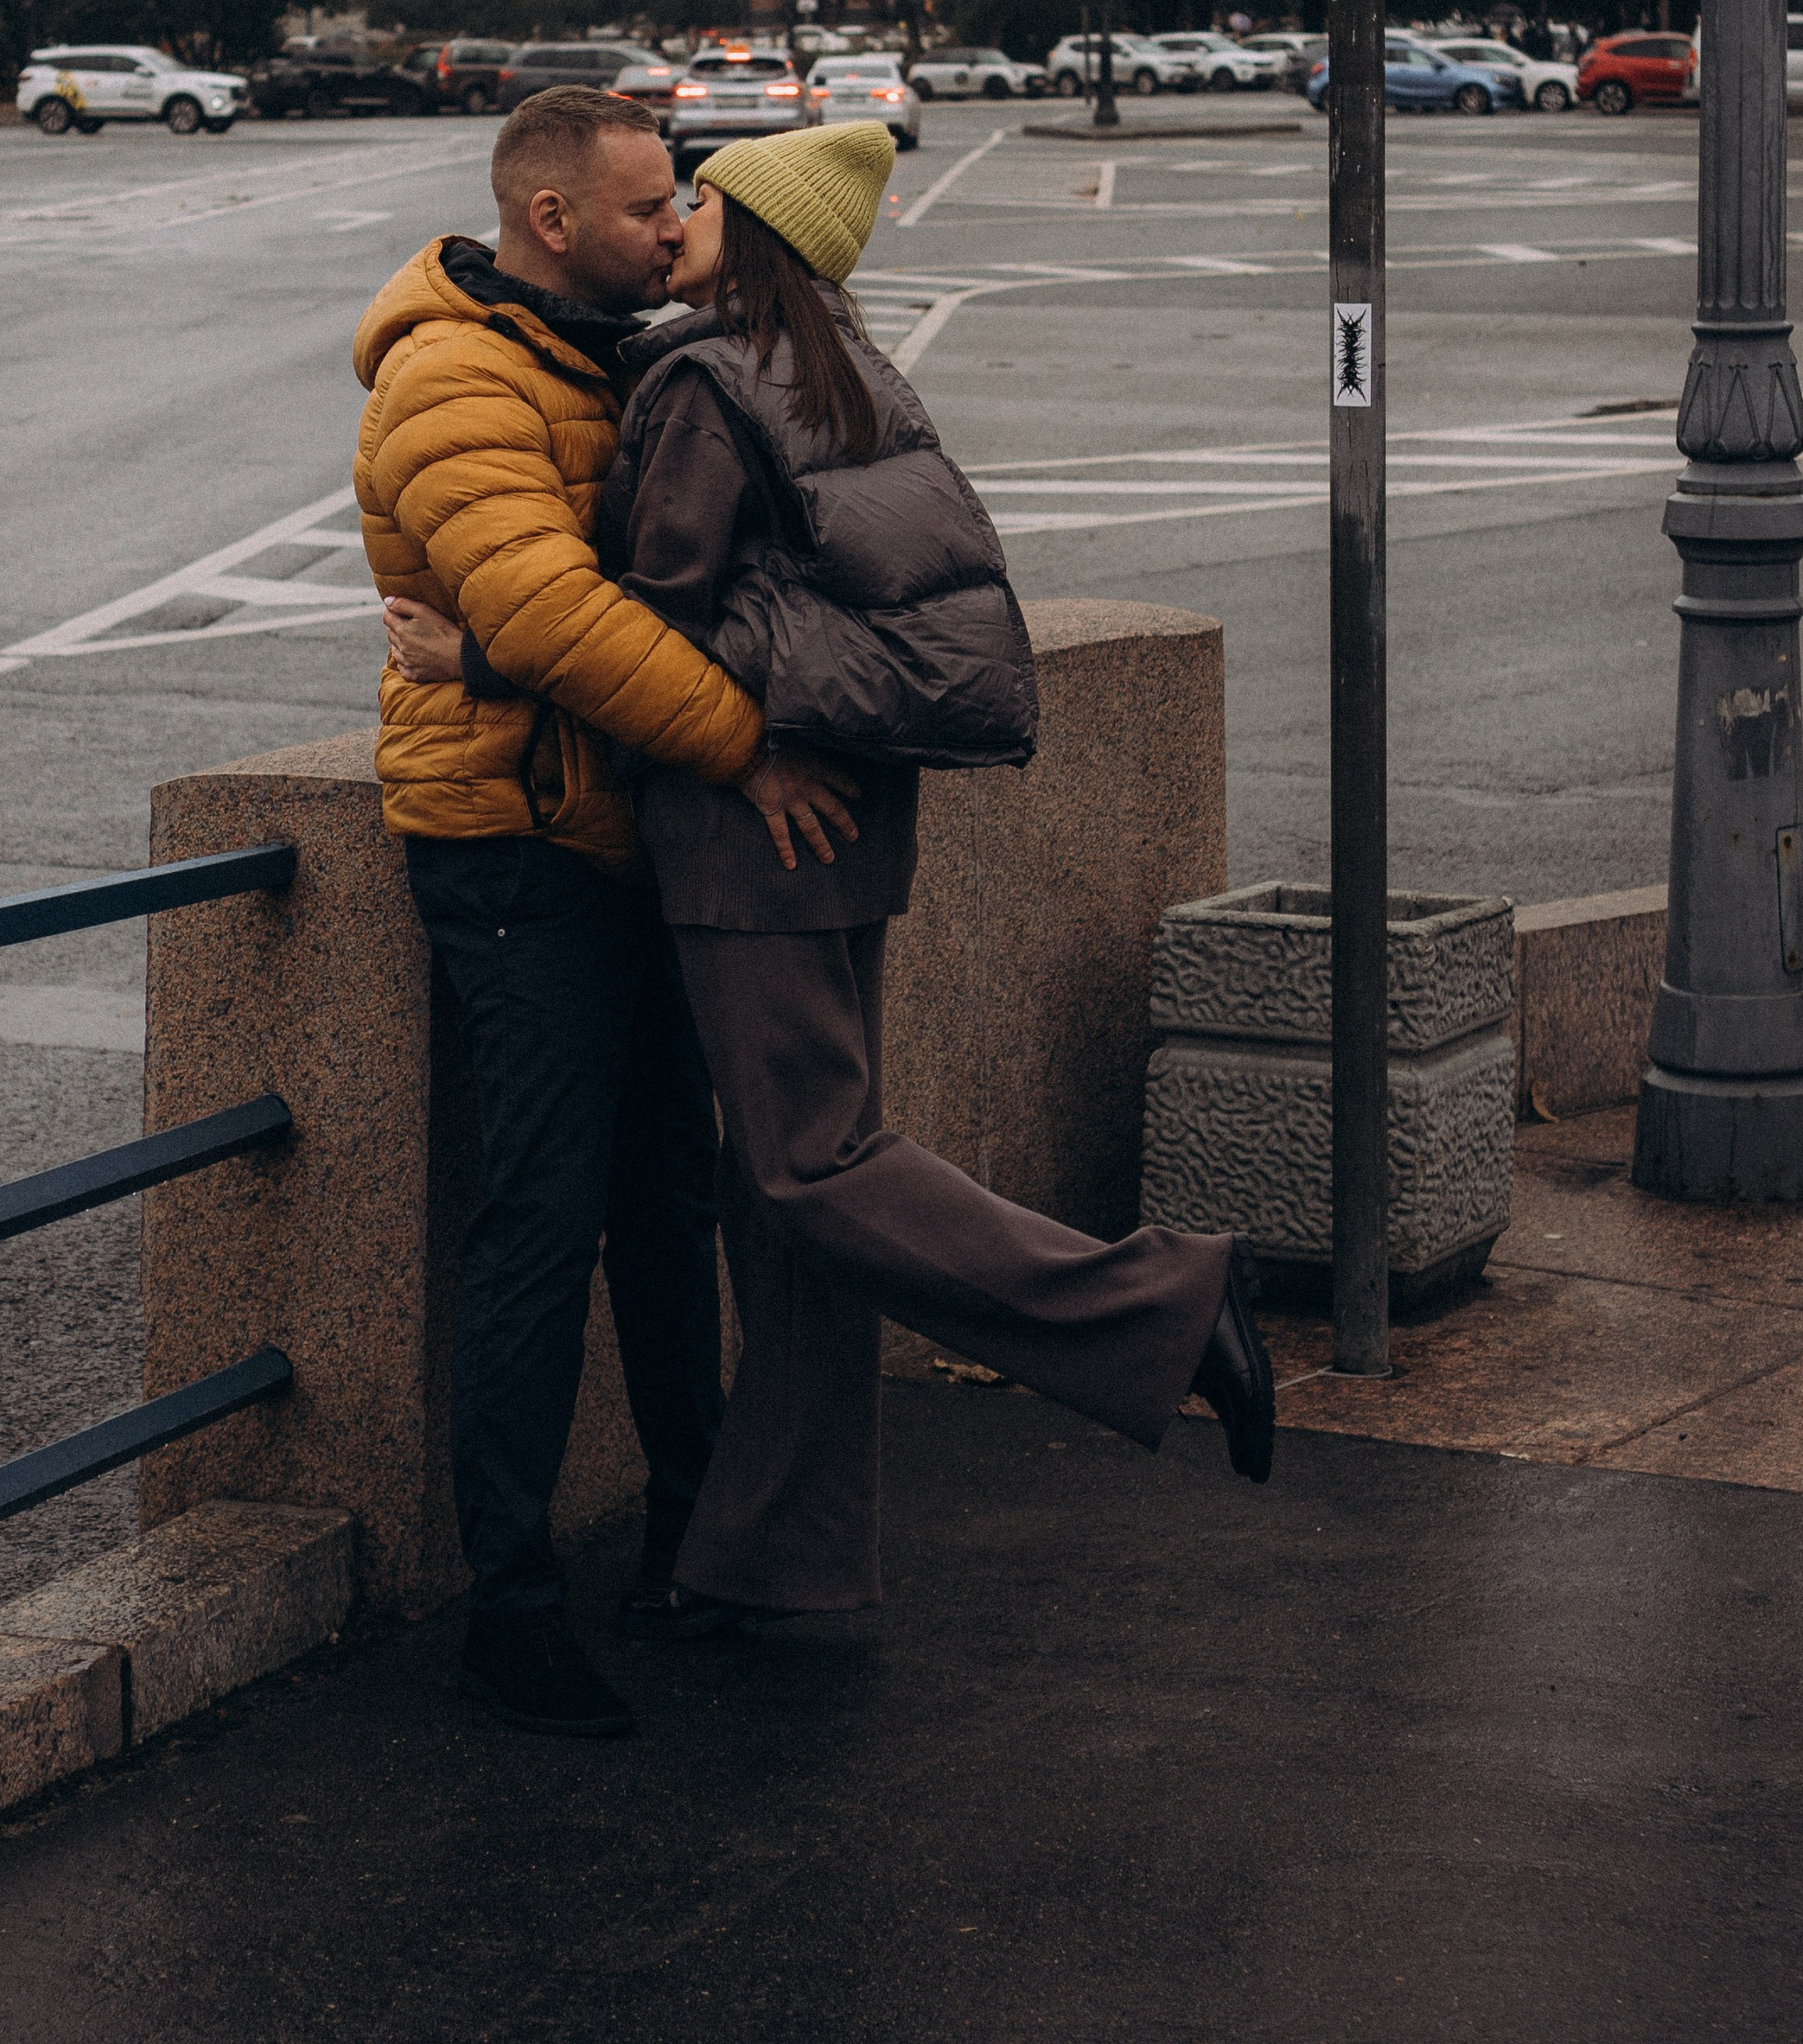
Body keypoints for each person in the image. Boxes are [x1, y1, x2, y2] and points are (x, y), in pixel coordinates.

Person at [384, 117, 1275, 1646]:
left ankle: (1165, 1308)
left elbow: (648, 625)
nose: (678, 221)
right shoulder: (844, 365)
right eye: (663, 199)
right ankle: (777, 1553)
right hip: (859, 815)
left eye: (701, 202)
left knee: (808, 1168)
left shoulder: (698, 384)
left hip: (756, 834)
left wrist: (482, 657)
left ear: (761, 236)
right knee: (775, 1199)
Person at [352, 86, 856, 1740]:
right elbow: (561, 616)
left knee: (666, 1204)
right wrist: (748, 753)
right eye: (650, 208)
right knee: (543, 1220)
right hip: (514, 849)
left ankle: (690, 1548)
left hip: (619, 827)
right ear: (552, 220)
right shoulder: (454, 377)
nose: (676, 229)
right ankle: (510, 1613)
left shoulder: (604, 355)